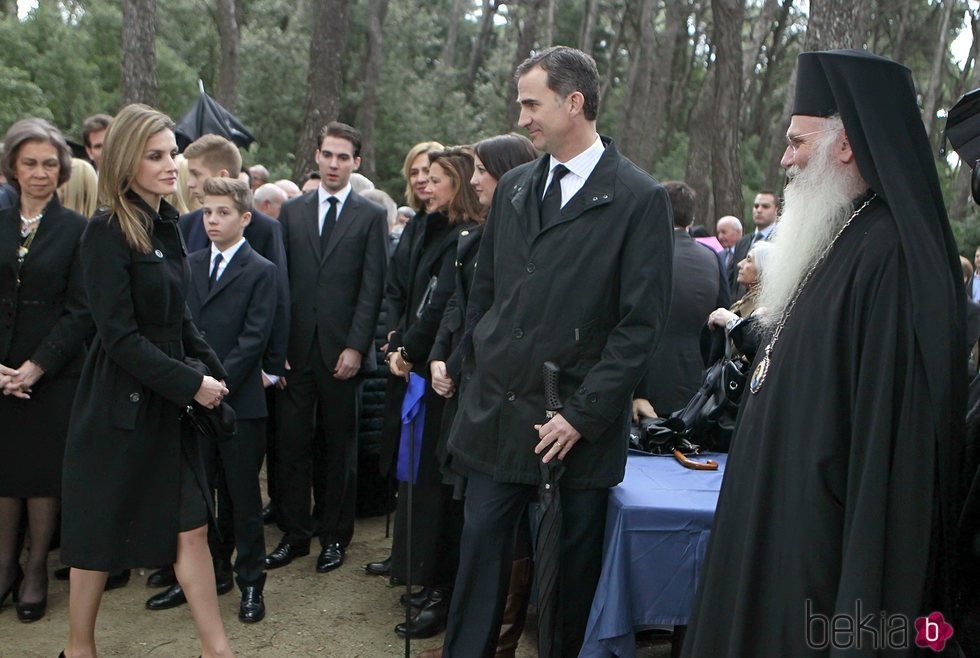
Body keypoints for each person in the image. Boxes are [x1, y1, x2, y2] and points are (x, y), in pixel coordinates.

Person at [682, 50, 964, 657]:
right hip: (777, 519)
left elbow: (890, 448)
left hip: (824, 553)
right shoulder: (837, 235)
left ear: (846, 145)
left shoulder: (888, 253)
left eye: (796, 142)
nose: (784, 159)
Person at [441, 46, 673, 657]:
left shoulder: (638, 198)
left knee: (565, 591)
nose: (522, 119)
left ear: (574, 103)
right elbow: (485, 296)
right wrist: (475, 369)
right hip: (494, 420)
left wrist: (582, 414)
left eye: (531, 104)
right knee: (477, 575)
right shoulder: (516, 186)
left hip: (573, 433)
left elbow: (639, 328)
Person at [59, 103, 234, 658]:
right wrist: (191, 383)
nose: (171, 164)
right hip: (120, 402)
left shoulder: (167, 224)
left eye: (174, 153)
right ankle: (79, 646)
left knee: (192, 527)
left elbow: (179, 319)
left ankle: (217, 648)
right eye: (155, 155)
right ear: (126, 162)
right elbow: (119, 338)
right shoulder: (105, 231)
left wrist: (213, 372)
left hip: (168, 403)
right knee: (96, 533)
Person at [419, 132, 538, 658]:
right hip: (470, 397)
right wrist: (441, 358)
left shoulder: (528, 243)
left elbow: (498, 321)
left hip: (511, 405)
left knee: (503, 535)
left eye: (482, 170)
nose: (474, 180)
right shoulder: (473, 240)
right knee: (473, 524)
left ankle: (499, 643)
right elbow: (461, 311)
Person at [148, 177, 276, 624]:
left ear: (244, 218)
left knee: (243, 499)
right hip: (194, 399)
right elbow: (182, 329)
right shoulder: (190, 262)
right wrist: (192, 382)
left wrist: (216, 383)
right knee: (198, 500)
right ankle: (208, 575)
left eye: (222, 213)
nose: (212, 220)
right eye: (206, 212)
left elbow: (254, 338)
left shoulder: (262, 270)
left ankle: (251, 583)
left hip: (239, 404)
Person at [268, 121, 387, 574]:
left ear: (356, 163)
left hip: (344, 355)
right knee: (292, 445)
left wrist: (357, 347)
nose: (334, 164)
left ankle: (335, 538)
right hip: (296, 352)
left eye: (344, 157)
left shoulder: (370, 215)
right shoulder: (292, 212)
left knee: (340, 449)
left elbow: (372, 288)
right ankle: (296, 534)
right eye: (328, 155)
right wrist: (277, 345)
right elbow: (281, 285)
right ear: (315, 156)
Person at [382, 147, 485, 639]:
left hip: (456, 376)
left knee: (442, 490)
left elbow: (455, 306)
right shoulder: (441, 229)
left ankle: (439, 586)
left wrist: (425, 352)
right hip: (434, 365)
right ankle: (427, 575)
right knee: (423, 479)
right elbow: (429, 302)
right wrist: (405, 345)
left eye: (439, 177)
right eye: (422, 176)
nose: (428, 185)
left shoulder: (470, 236)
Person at [0, 119, 91, 624]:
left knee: (40, 476)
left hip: (53, 374)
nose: (39, 173)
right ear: (13, 166)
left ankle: (36, 568)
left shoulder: (78, 230)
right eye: (30, 163)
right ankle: (3, 565)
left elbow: (82, 311)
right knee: (3, 474)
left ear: (62, 170)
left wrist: (35, 368)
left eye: (49, 164)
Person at [364, 139, 444, 579]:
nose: (420, 181)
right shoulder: (414, 226)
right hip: (401, 350)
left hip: (424, 357)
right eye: (414, 172)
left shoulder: (448, 226)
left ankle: (413, 558)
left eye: (429, 173)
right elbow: (395, 287)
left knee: (418, 460)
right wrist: (394, 331)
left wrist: (411, 344)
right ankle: (401, 554)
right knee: (402, 456)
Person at [633, 181, 730, 421]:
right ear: (692, 217)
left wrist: (636, 391)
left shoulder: (644, 253)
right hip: (695, 385)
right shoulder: (712, 259)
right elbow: (720, 319)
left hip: (643, 384)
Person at [729, 190, 778, 297]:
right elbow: (734, 284)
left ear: (776, 210)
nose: (759, 210)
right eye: (756, 206)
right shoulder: (742, 242)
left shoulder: (780, 242)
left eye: (765, 206)